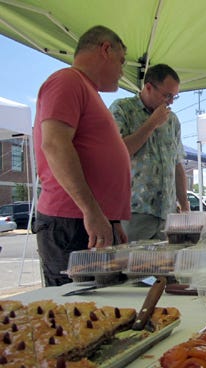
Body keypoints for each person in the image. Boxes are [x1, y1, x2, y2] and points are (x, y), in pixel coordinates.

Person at [33, 25, 131, 286]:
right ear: (105, 49)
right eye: (121, 61)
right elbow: (54, 144)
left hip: (90, 220)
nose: (123, 70)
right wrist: (91, 210)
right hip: (71, 222)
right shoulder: (67, 80)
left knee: (103, 309)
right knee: (74, 312)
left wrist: (111, 218)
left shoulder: (89, 91)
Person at [109, 64, 190, 241]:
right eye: (167, 95)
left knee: (162, 266)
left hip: (166, 214)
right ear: (148, 87)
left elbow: (177, 164)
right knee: (131, 265)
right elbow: (117, 154)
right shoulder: (122, 109)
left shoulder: (172, 120)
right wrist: (151, 124)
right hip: (134, 212)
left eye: (174, 96)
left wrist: (184, 205)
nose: (170, 102)